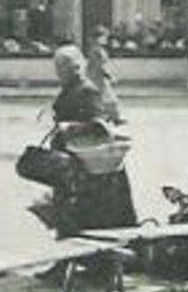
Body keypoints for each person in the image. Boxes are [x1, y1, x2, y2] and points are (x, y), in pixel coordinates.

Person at [23, 44, 136, 237]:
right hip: (73, 161)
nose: (59, 72)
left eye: (63, 67)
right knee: (69, 212)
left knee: (83, 215)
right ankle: (71, 258)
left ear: (75, 67)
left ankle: (83, 259)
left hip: (88, 165)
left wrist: (69, 127)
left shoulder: (86, 90)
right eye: (58, 67)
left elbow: (101, 127)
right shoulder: (72, 88)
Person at [85, 26, 120, 123]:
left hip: (97, 77)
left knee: (106, 98)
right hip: (96, 77)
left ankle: (112, 117)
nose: (106, 39)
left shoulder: (98, 49)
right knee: (107, 99)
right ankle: (112, 118)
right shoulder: (96, 50)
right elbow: (99, 65)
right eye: (104, 37)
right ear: (98, 38)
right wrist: (109, 75)